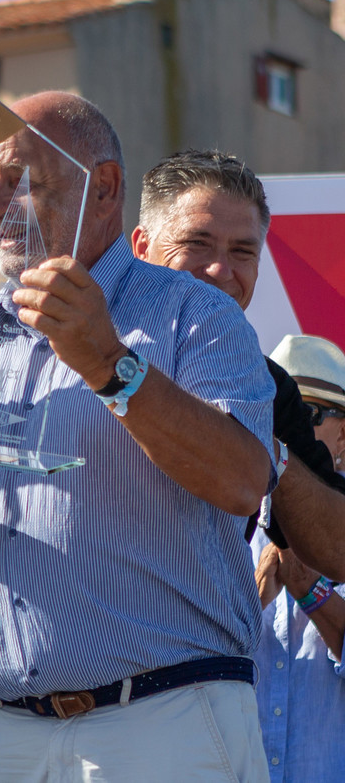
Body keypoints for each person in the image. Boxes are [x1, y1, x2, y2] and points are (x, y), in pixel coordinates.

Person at [0, 93, 275, 781]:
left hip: (163, 722)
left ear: (106, 187)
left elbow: (244, 481)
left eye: (21, 178)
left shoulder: (194, 313)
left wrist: (110, 366)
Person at [130, 149, 345, 578]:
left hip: (206, 644)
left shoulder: (268, 387)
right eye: (197, 243)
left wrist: (266, 454)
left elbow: (338, 551)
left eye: (243, 251)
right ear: (142, 247)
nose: (219, 269)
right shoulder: (69, 345)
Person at [250, 334, 345, 781]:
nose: (288, 428)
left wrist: (313, 592)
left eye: (307, 413)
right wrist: (255, 598)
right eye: (276, 411)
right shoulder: (223, 516)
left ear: (343, 432)